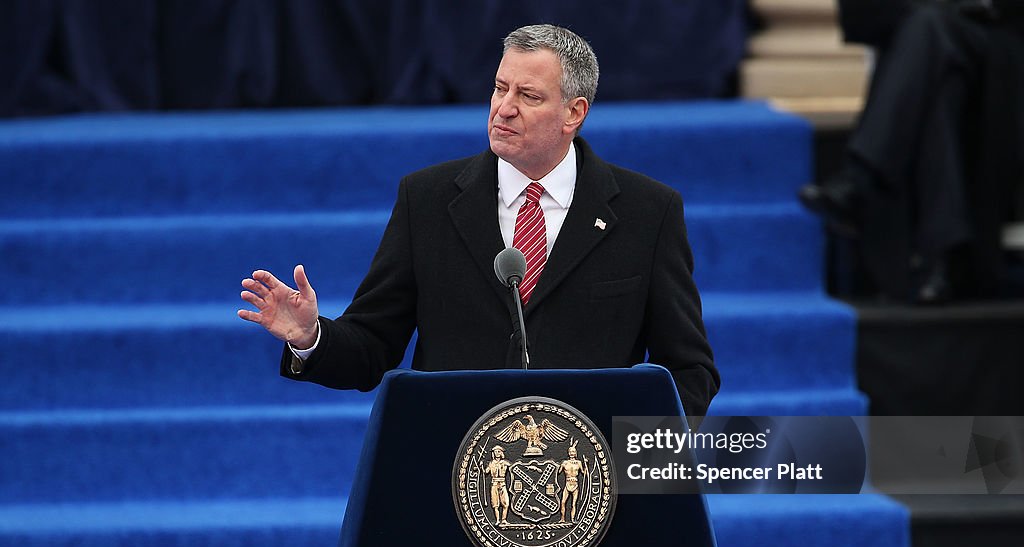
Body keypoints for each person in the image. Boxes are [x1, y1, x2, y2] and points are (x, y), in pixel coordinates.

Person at [238, 24, 719, 417]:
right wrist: (311, 337)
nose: (503, 108)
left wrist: (623, 455)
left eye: (528, 95)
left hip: (587, 489)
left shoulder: (646, 211)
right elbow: (372, 349)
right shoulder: (426, 200)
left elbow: (690, 369)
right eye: (499, 87)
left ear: (574, 113)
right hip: (453, 476)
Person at [798, 0, 1024, 304]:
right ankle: (946, 255)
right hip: (933, 50)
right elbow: (862, 18)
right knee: (941, 82)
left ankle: (861, 180)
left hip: (1005, 50)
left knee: (929, 32)